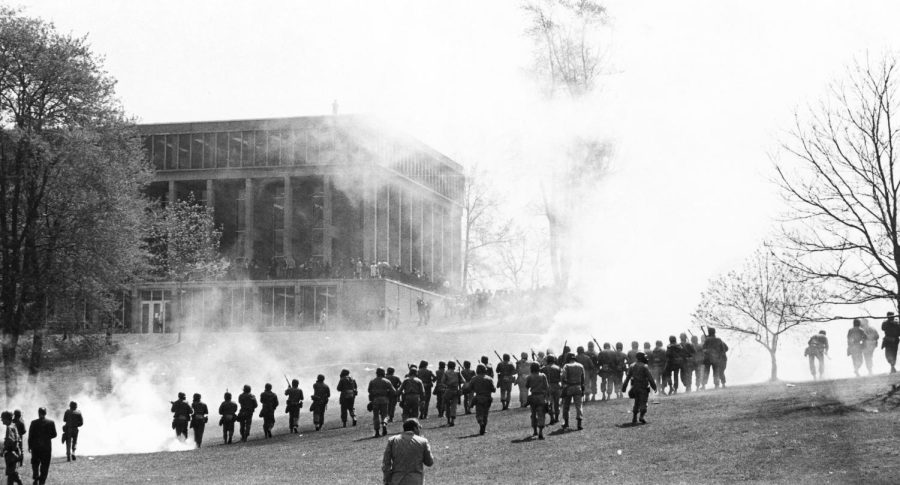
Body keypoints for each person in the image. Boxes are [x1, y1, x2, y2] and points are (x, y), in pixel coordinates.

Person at [381, 418, 434, 485]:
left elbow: (386, 463)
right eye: (419, 428)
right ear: (415, 428)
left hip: (397, 480)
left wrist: (387, 479)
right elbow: (429, 462)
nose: (419, 430)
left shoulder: (392, 440)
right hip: (416, 481)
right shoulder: (423, 441)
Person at [621, 352, 658, 424]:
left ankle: (634, 417)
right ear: (641, 358)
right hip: (643, 387)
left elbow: (628, 377)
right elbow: (650, 378)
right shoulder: (645, 366)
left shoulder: (632, 366)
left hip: (635, 387)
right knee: (644, 403)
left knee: (636, 402)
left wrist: (624, 386)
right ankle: (641, 417)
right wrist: (654, 386)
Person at [462, 365, 496, 435]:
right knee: (485, 414)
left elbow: (469, 388)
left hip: (478, 398)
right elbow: (494, 389)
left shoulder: (474, 378)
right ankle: (483, 428)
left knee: (479, 414)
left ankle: (481, 423)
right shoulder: (489, 378)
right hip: (487, 398)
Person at [26, 408, 56, 485]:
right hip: (46, 447)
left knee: (35, 463)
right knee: (45, 464)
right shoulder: (51, 422)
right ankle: (42, 480)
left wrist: (29, 446)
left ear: (38, 413)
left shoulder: (33, 423)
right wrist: (46, 437)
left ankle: (36, 475)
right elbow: (54, 434)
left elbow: (30, 435)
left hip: (35, 447)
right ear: (45, 413)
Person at [560, 353, 585, 430]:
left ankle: (566, 423)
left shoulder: (566, 366)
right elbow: (583, 378)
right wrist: (582, 387)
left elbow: (563, 376)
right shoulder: (580, 366)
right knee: (579, 406)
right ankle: (579, 424)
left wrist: (564, 384)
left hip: (569, 387)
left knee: (566, 406)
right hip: (578, 387)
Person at [525, 362, 550, 440]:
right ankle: (541, 432)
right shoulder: (543, 376)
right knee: (541, 415)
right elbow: (547, 387)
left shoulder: (529, 377)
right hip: (541, 397)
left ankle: (535, 430)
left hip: (533, 397)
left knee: (533, 414)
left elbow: (527, 386)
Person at [369, 368, 395, 437]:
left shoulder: (372, 381)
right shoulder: (387, 381)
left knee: (376, 416)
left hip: (375, 400)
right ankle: (384, 424)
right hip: (384, 399)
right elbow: (393, 391)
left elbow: (369, 390)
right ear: (383, 373)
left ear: (377, 373)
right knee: (385, 414)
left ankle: (377, 432)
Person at [2, 412, 22, 485]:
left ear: (7, 419)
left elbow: (11, 440)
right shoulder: (13, 426)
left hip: (11, 453)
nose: (1, 420)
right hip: (14, 452)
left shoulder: (9, 428)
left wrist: (4, 449)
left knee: (12, 473)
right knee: (11, 474)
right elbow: (18, 439)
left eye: (2, 418)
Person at [541, 355, 562, 425]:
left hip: (548, 387)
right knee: (557, 403)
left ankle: (552, 418)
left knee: (549, 403)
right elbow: (561, 378)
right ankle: (556, 418)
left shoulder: (543, 369)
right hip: (557, 386)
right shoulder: (558, 368)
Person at [440, 361, 462, 427]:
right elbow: (463, 380)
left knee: (447, 405)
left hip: (448, 390)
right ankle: (452, 421)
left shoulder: (446, 372)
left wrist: (447, 385)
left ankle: (448, 421)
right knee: (454, 406)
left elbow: (442, 382)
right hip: (456, 390)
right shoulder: (457, 372)